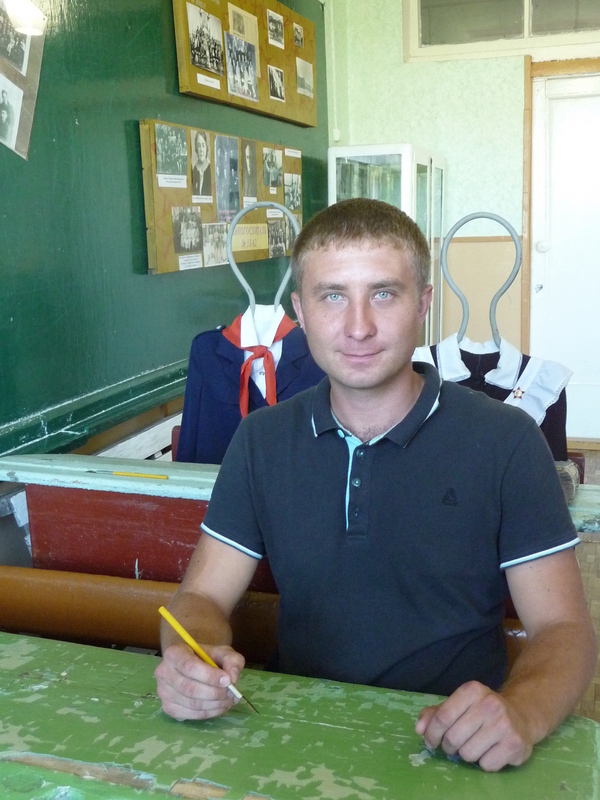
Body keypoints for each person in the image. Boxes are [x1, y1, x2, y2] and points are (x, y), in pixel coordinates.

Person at [155, 198, 596, 773]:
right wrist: (194, 658)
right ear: (301, 311)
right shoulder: (260, 440)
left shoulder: (507, 441)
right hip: (293, 740)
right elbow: (201, 599)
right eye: (332, 295)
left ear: (424, 305)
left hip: (453, 749)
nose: (358, 326)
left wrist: (523, 712)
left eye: (384, 293)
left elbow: (564, 630)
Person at [192, 130, 211, 197]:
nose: (201, 150)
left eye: (203, 145)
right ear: (196, 149)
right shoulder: (194, 170)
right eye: (199, 146)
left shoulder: (211, 169)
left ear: (206, 147)